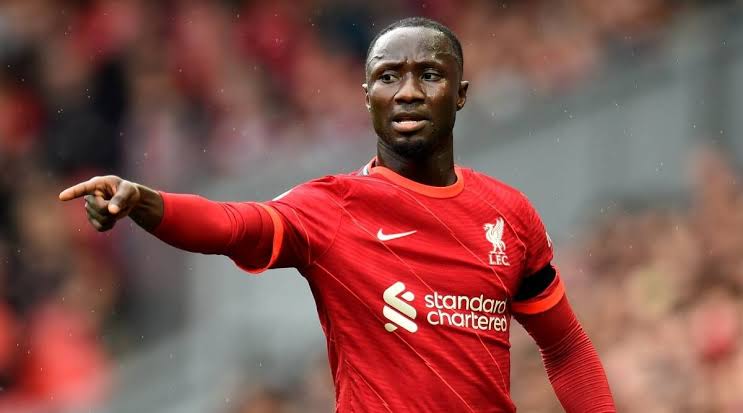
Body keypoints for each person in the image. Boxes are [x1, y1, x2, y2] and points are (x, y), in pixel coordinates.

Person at [59, 17, 615, 413]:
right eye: (389, 77)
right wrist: (146, 202)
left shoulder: (508, 214)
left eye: (429, 74)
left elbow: (565, 346)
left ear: (461, 93)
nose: (408, 92)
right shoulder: (331, 208)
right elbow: (233, 226)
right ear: (367, 95)